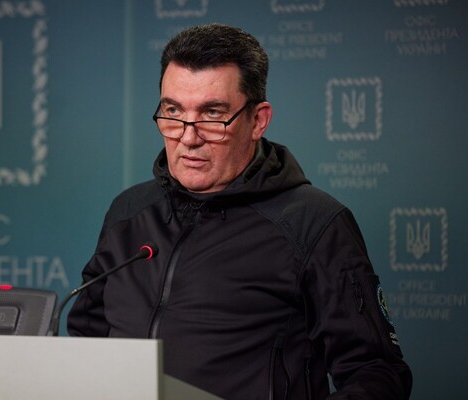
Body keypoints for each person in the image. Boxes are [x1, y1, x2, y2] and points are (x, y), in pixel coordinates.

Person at [68, 23, 412, 400]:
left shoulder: (314, 224)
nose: (188, 137)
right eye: (173, 111)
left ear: (257, 121)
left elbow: (376, 372)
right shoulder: (129, 211)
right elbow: (88, 338)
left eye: (212, 114)